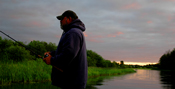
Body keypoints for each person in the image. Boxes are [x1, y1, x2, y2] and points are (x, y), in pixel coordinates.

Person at [43, 10, 88, 89]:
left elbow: (69, 54)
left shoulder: (73, 32)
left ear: (69, 19)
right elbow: (66, 50)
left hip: (72, 83)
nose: (60, 21)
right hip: (71, 82)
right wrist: (52, 53)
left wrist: (52, 60)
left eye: (62, 19)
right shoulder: (73, 32)